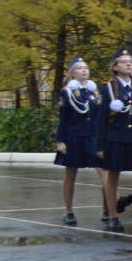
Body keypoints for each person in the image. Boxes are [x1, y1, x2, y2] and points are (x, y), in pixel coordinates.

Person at [96, 49, 132, 234]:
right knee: (113, 177)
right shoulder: (108, 88)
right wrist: (101, 146)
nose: (129, 64)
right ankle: (113, 216)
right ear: (115, 67)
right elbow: (101, 120)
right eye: (123, 61)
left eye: (131, 61)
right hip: (116, 138)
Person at [54, 58, 99, 226]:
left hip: (92, 137)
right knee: (71, 175)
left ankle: (111, 207)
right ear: (72, 73)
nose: (84, 70)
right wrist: (61, 141)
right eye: (79, 68)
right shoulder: (67, 92)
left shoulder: (93, 92)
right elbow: (63, 118)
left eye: (86, 67)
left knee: (104, 171)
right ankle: (69, 211)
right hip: (74, 137)